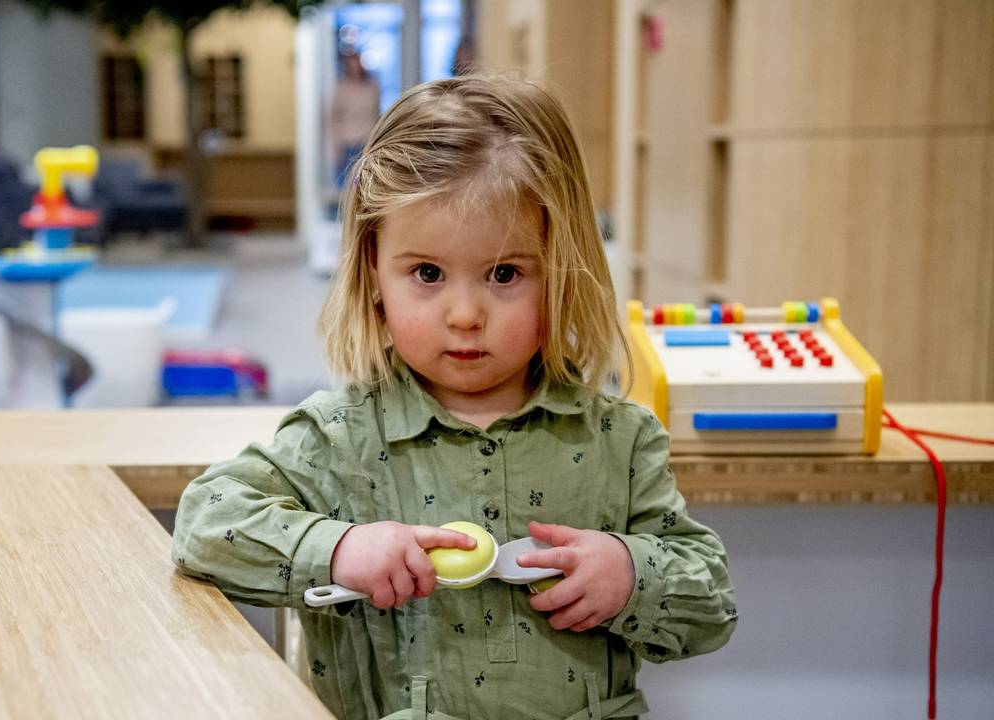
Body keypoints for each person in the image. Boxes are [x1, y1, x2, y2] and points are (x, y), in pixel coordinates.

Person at [172, 75, 736, 720]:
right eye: (427, 273)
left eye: (505, 273)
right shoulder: (338, 436)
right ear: (374, 272)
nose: (465, 314)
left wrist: (632, 574)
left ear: (561, 266)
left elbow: (713, 606)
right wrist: (337, 549)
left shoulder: (621, 440)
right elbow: (204, 522)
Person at [328, 49, 381, 190]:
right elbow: (334, 119)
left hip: (365, 141)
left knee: (363, 185)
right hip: (347, 143)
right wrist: (335, 147)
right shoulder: (341, 87)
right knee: (344, 186)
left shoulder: (371, 86)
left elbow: (376, 114)